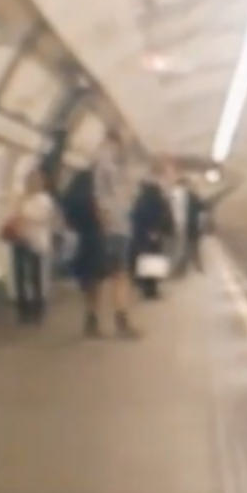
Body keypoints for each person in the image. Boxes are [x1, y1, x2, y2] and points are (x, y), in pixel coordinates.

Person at [84, 128, 139, 340]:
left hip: (111, 227)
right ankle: (119, 323)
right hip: (112, 228)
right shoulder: (106, 165)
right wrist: (106, 223)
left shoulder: (102, 165)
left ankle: (93, 321)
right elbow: (102, 197)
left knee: (101, 278)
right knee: (118, 276)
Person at [8, 168, 56, 324]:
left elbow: (41, 216)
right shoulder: (23, 198)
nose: (32, 183)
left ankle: (38, 308)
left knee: (37, 277)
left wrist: (23, 215)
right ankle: (24, 309)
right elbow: (15, 215)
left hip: (38, 243)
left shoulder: (45, 200)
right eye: (30, 180)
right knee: (21, 276)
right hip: (21, 240)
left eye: (35, 180)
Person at [130, 175, 176, 300]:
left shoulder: (140, 200)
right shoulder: (160, 200)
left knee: (144, 261)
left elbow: (135, 216)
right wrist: (158, 231)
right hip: (155, 235)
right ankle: (152, 289)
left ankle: (145, 287)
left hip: (141, 235)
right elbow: (164, 217)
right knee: (154, 262)